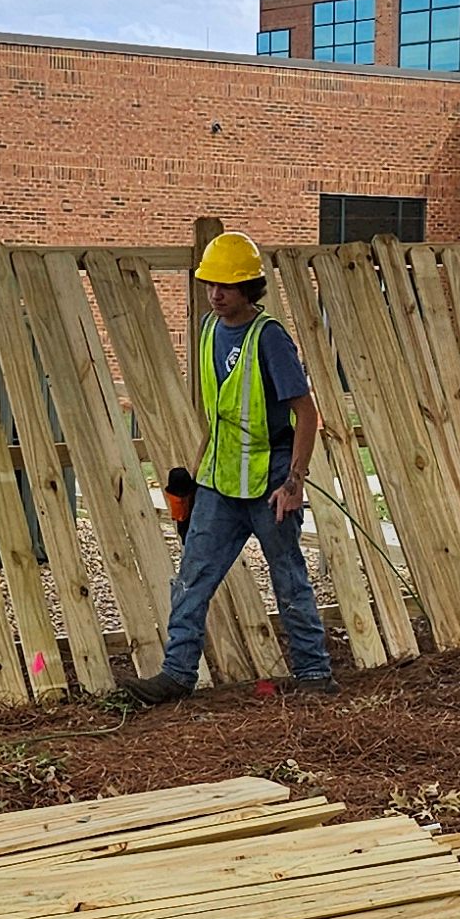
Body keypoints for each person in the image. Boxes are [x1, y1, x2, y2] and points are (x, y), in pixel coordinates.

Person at [122, 231, 336, 703]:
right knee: (193, 578)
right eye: (210, 284)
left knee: (288, 578)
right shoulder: (207, 330)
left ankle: (315, 676)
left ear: (249, 289)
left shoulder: (269, 339)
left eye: (227, 286)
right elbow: (219, 416)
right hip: (220, 483)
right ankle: (177, 674)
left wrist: (294, 483)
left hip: (268, 482)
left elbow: (307, 414)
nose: (216, 294)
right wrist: (196, 482)